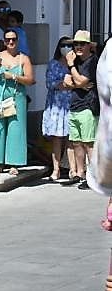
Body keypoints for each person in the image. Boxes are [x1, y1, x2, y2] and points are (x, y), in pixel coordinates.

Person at [0, 27, 33, 173]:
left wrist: (14, 77)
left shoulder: (23, 58)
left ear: (17, 41)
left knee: (15, 129)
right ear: (4, 41)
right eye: (8, 39)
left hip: (16, 97)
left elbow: (30, 80)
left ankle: (14, 163)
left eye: (13, 39)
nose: (10, 42)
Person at [68, 31, 100, 189]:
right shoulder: (77, 61)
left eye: (82, 43)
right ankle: (79, 173)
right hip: (74, 105)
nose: (78, 47)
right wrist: (77, 82)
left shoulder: (92, 61)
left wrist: (71, 67)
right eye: (76, 44)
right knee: (76, 142)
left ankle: (92, 176)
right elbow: (66, 82)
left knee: (89, 143)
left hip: (88, 106)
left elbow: (82, 81)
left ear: (89, 46)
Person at [44, 36, 76, 182]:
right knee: (57, 138)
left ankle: (73, 170)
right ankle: (56, 169)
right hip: (56, 105)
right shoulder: (53, 64)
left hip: (71, 104)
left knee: (71, 138)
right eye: (64, 45)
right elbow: (50, 83)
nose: (66, 48)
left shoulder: (75, 64)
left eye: (69, 46)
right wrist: (63, 84)